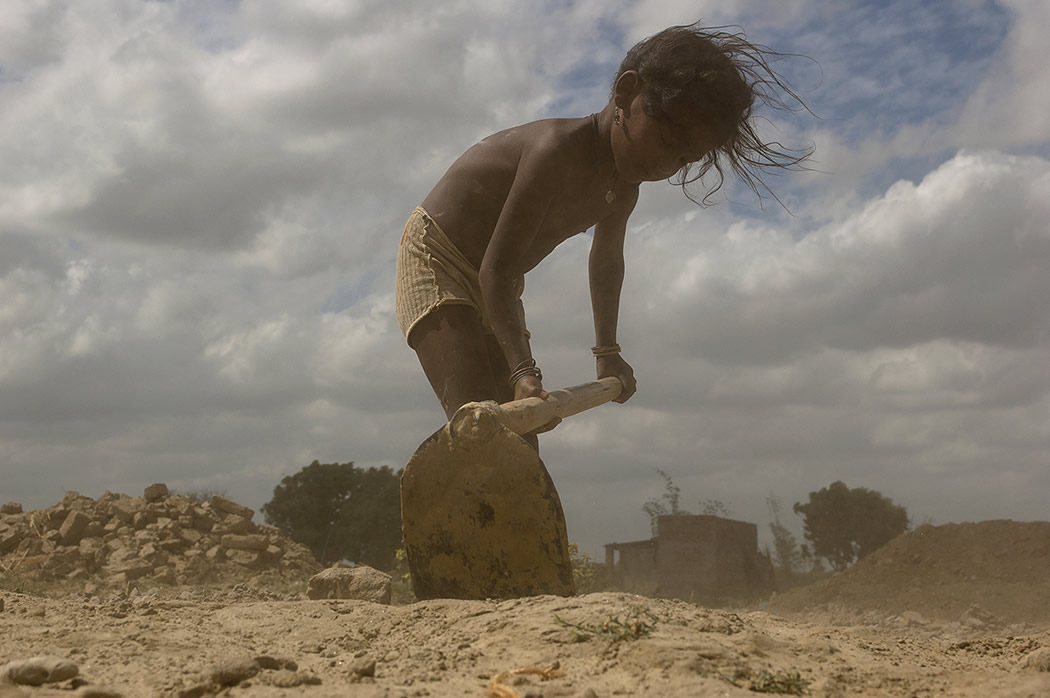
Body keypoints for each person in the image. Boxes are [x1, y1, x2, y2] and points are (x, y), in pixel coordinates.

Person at [395, 22, 811, 444]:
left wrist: (607, 353)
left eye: (685, 159)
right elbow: (495, 270)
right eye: (666, 141)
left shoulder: (622, 190)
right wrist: (523, 370)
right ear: (627, 93)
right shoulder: (555, 152)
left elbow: (606, 263)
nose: (667, 167)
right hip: (439, 258)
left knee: (520, 440)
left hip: (498, 282)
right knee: (481, 428)